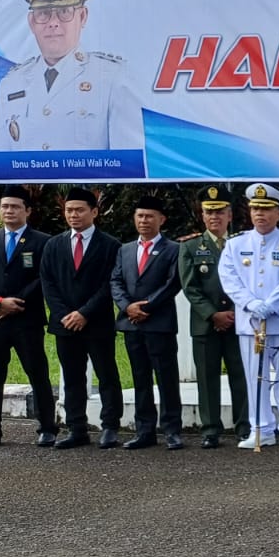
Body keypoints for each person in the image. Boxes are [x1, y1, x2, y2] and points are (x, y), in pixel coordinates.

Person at [0, 0, 143, 153]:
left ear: (82, 16)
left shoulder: (112, 78)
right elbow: (1, 163)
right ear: (31, 22)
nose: (53, 23)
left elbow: (128, 162)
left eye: (64, 11)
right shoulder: (11, 83)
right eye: (44, 13)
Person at [0, 189, 57, 449]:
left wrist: (15, 303)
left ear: (27, 211)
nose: (9, 211)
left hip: (26, 319)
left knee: (37, 373)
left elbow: (44, 277)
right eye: (4, 206)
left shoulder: (43, 242)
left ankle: (47, 428)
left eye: (15, 206)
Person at [218, 183, 279, 448]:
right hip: (250, 322)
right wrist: (251, 303)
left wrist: (272, 304)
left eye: (266, 209)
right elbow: (229, 278)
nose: (260, 214)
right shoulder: (236, 244)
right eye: (256, 209)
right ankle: (261, 428)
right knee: (254, 376)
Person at [39, 187, 123, 449]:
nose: (73, 215)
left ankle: (110, 426)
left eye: (79, 210)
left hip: (97, 323)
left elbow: (110, 284)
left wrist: (85, 313)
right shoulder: (54, 245)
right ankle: (77, 428)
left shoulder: (110, 245)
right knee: (73, 377)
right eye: (69, 210)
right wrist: (64, 314)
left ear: (94, 212)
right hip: (65, 324)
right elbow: (48, 283)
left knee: (106, 375)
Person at [177, 186, 251, 449]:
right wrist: (213, 314)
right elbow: (190, 287)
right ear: (202, 215)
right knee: (207, 379)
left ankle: (244, 426)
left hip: (238, 321)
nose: (214, 217)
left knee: (241, 377)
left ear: (229, 215)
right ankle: (210, 429)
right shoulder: (190, 246)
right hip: (205, 324)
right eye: (209, 212)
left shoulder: (242, 245)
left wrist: (235, 312)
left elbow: (250, 283)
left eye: (219, 212)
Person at [110, 193, 185, 450]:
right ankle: (145, 431)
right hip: (132, 324)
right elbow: (116, 281)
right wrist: (127, 307)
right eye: (140, 216)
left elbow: (172, 283)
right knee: (140, 378)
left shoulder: (174, 249)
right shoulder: (125, 250)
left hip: (159, 323)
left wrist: (147, 306)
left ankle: (172, 430)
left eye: (149, 216)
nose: (144, 220)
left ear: (161, 219)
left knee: (166, 378)